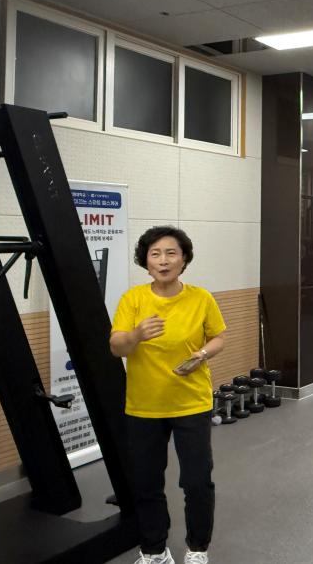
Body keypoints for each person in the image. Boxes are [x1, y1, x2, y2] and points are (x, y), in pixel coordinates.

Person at [110, 226, 226, 564]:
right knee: (147, 483)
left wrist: (201, 355)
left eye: (171, 253)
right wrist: (136, 335)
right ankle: (155, 551)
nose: (163, 261)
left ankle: (197, 549)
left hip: (191, 402)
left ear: (183, 259)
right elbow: (116, 347)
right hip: (145, 406)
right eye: (155, 254)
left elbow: (219, 337)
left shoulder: (201, 298)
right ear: (145, 261)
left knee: (197, 481)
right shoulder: (133, 299)